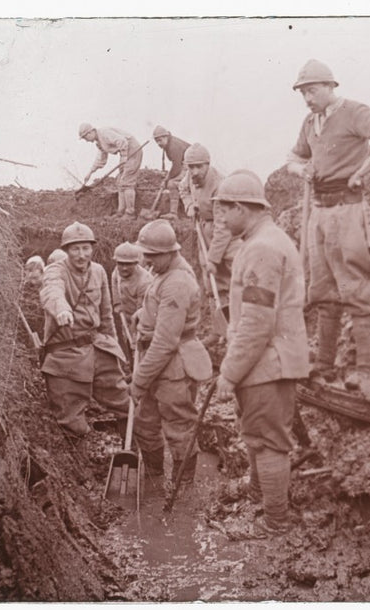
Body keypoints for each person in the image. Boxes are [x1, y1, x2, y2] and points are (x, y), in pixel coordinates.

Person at [285, 59, 370, 390]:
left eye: (313, 90)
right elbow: (293, 158)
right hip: (319, 213)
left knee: (357, 286)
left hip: (348, 210)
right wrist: (300, 170)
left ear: (330, 87)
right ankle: (324, 365)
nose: (308, 98)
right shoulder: (310, 123)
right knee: (323, 289)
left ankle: (363, 368)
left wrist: (362, 171)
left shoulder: (354, 112)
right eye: (303, 92)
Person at [214, 170, 311, 534]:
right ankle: (259, 494)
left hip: (267, 362)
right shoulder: (264, 241)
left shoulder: (261, 249)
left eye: (224, 211)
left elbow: (256, 323)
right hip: (269, 361)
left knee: (269, 442)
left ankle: (275, 524)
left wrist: (229, 373)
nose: (221, 220)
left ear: (241, 207)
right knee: (256, 433)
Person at [129, 220, 213, 489]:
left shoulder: (178, 281)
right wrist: (143, 315)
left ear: (169, 252)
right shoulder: (166, 272)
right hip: (159, 362)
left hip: (174, 364)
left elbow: (166, 342)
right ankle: (154, 480)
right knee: (144, 423)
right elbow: (160, 308)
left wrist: (139, 381)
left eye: (152, 256)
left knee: (179, 427)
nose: (147, 262)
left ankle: (183, 488)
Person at [40, 222, 127, 436]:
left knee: (125, 404)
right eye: (75, 249)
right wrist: (61, 310)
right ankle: (79, 464)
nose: (81, 254)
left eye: (86, 248)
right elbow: (52, 291)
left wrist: (114, 349)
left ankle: (135, 453)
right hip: (66, 354)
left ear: (92, 248)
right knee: (71, 421)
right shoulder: (55, 270)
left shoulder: (98, 271)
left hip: (98, 347)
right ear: (66, 250)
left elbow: (106, 314)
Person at [178, 143, 236, 314]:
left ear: (208, 164)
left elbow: (223, 228)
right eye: (191, 167)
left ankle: (235, 324)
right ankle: (219, 329)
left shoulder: (220, 185)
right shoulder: (190, 177)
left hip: (227, 234)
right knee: (209, 280)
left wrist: (214, 258)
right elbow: (182, 189)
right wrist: (189, 205)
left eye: (199, 167)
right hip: (203, 228)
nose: (194, 171)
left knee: (229, 277)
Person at [78, 124, 144, 217]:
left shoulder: (104, 133)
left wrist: (124, 156)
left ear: (90, 132)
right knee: (120, 182)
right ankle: (120, 212)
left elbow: (122, 141)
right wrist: (90, 172)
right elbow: (101, 159)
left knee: (127, 182)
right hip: (125, 153)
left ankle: (130, 213)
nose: (86, 141)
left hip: (133, 150)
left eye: (85, 138)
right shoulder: (99, 142)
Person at [151, 126, 190, 219]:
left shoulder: (173, 146)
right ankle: (173, 213)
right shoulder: (169, 143)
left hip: (191, 165)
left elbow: (177, 167)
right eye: (156, 141)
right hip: (185, 164)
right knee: (171, 182)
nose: (158, 143)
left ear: (166, 137)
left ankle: (174, 213)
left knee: (171, 183)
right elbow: (175, 165)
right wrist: (167, 178)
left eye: (160, 140)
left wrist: (167, 180)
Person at [110, 242, 153, 320]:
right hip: (125, 312)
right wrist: (117, 303)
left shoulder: (144, 281)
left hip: (143, 317)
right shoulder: (117, 270)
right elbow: (114, 281)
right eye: (121, 264)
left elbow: (142, 310)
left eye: (128, 264)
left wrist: (134, 323)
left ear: (136, 263)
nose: (124, 268)